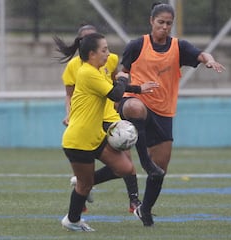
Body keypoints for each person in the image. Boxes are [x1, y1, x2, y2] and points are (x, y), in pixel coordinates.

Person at [118, 2, 226, 227]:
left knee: (160, 172)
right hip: (136, 100)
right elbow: (122, 72)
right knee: (134, 109)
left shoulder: (179, 47)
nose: (165, 27)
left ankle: (144, 209)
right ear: (151, 21)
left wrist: (210, 60)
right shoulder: (137, 45)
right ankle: (144, 161)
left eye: (169, 23)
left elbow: (201, 54)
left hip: (163, 113)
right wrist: (123, 85)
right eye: (161, 22)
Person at [55, 32, 156, 232]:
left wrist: (134, 87)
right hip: (79, 140)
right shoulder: (87, 73)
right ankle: (72, 220)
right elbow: (116, 93)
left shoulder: (96, 70)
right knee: (84, 186)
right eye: (104, 50)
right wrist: (123, 77)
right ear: (92, 54)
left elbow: (112, 87)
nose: (108, 53)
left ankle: (85, 181)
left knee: (126, 168)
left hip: (95, 137)